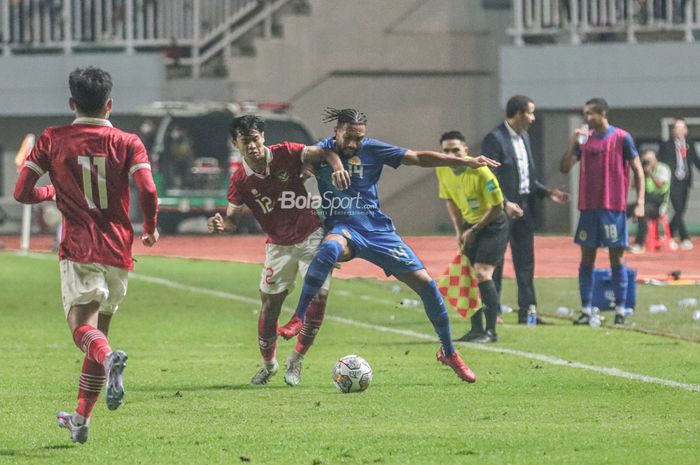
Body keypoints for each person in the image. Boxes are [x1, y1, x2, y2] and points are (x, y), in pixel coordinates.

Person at [278, 108, 501, 384]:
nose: (352, 144)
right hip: (344, 229)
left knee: (428, 287)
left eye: (358, 139)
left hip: (378, 231)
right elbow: (299, 160)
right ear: (336, 131)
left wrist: (465, 162)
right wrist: (306, 171)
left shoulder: (373, 150)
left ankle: (449, 352)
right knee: (329, 249)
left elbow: (418, 158)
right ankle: (298, 316)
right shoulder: (321, 150)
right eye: (348, 137)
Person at [13, 67, 159, 444]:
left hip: (80, 248)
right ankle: (80, 419)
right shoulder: (129, 142)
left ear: (72, 103)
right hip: (118, 250)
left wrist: (52, 194)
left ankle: (110, 359)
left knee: (82, 330)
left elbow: (22, 192)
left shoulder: (52, 138)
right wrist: (150, 227)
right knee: (98, 333)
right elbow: (148, 191)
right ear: (109, 104)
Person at [207, 114, 349, 387]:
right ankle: (268, 365)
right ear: (236, 144)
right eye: (245, 141)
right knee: (270, 306)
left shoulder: (286, 152)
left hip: (311, 235)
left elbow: (325, 152)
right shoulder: (239, 181)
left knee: (320, 295)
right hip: (277, 246)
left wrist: (337, 167)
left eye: (256, 139)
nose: (252, 146)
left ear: (263, 137)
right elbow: (233, 221)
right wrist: (220, 225)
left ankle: (296, 359)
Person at [481, 95, 570, 325]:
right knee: (496, 262)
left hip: (525, 209)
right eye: (530, 112)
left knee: (526, 262)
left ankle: (528, 312)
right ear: (519, 114)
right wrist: (503, 203)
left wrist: (547, 193)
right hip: (502, 210)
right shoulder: (495, 138)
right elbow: (488, 177)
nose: (533, 118)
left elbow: (527, 178)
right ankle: (494, 311)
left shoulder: (525, 138)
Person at [560, 97, 644, 326]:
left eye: (590, 113)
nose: (586, 118)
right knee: (587, 258)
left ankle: (620, 311)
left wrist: (640, 202)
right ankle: (586, 311)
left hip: (613, 207)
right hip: (588, 208)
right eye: (585, 113)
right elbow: (565, 167)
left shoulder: (621, 137)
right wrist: (572, 142)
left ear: (603, 113)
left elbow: (638, 169)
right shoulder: (584, 140)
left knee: (617, 258)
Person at [436, 131, 509, 343]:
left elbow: (497, 207)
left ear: (466, 151)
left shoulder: (482, 172)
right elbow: (450, 201)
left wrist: (474, 230)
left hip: (492, 224)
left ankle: (491, 331)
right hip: (469, 226)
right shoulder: (442, 168)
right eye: (446, 151)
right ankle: (476, 329)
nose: (451, 155)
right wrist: (460, 231)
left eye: (455, 150)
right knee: (467, 275)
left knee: (483, 274)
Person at [659, 118, 699, 250]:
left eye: (683, 128)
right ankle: (684, 237)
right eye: (677, 128)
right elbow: (662, 163)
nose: (680, 131)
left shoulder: (690, 144)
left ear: (686, 130)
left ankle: (668, 232)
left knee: (681, 210)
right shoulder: (666, 145)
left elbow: (695, 161)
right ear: (673, 130)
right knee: (678, 208)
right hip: (673, 181)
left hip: (685, 181)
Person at [627, 149, 671, 253]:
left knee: (643, 212)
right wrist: (639, 172)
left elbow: (660, 185)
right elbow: (633, 185)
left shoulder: (663, 168)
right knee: (624, 210)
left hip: (658, 205)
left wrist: (650, 172)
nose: (648, 163)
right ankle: (617, 241)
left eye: (649, 160)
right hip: (644, 202)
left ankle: (639, 244)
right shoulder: (643, 170)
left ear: (655, 159)